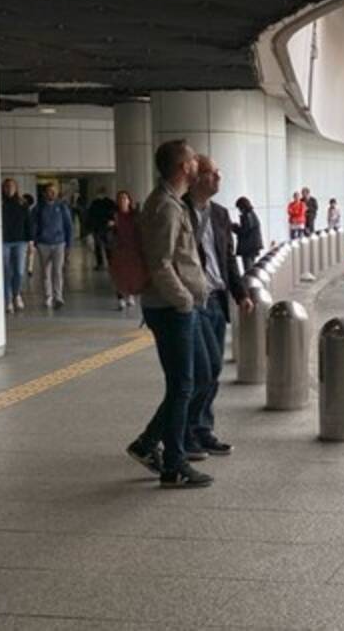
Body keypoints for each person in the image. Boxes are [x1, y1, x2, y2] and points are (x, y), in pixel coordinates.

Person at [126, 139, 213, 489]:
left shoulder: (172, 202)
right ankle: (173, 464)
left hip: (178, 307)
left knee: (196, 379)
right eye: (194, 160)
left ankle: (148, 443)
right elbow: (160, 263)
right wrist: (184, 301)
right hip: (171, 310)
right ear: (183, 167)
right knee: (182, 386)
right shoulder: (164, 206)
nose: (198, 163)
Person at [184, 156, 251, 458]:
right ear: (196, 177)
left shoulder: (221, 215)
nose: (218, 178)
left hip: (216, 300)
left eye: (218, 173)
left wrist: (241, 294)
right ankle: (187, 433)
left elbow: (228, 260)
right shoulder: (180, 210)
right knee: (202, 369)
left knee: (212, 369)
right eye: (212, 173)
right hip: (192, 301)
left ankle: (202, 430)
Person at [33, 183, 73, 311]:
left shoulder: (62, 207)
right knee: (45, 272)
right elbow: (34, 224)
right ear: (45, 193)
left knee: (57, 271)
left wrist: (69, 244)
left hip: (59, 243)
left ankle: (58, 297)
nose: (52, 193)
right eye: (49, 191)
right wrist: (35, 241)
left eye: (54, 191)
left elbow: (68, 226)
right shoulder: (39, 208)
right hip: (43, 243)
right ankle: (48, 296)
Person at [107, 190, 146, 312]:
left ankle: (130, 295)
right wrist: (111, 226)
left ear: (129, 201)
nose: (122, 201)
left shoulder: (135, 215)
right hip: (118, 249)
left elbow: (141, 230)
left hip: (132, 249)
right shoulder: (114, 215)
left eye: (125, 199)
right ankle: (120, 298)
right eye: (120, 199)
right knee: (119, 275)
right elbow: (108, 233)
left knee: (131, 274)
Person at [1, 178, 32, 314]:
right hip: (4, 242)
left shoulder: (22, 203)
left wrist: (31, 240)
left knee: (19, 271)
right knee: (6, 272)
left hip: (20, 241)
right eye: (7, 187)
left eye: (12, 186)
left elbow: (28, 222)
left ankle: (16, 294)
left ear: (16, 188)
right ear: (3, 188)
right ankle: (8, 300)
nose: (9, 189)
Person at [86, 188, 117, 270]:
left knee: (105, 247)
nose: (100, 194)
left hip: (104, 228)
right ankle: (105, 263)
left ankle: (105, 263)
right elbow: (90, 216)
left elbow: (115, 213)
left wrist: (113, 221)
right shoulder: (104, 203)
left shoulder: (104, 203)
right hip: (101, 228)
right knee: (101, 247)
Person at [232, 197, 263, 273]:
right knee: (250, 268)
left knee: (248, 270)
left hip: (248, 247)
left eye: (239, 208)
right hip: (252, 246)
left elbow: (244, 231)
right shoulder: (251, 214)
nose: (239, 210)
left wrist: (234, 228)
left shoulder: (247, 215)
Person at [22, 193, 35, 278]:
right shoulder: (30, 211)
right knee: (31, 253)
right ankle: (30, 268)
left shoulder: (27, 211)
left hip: (28, 235)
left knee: (29, 252)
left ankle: (29, 268)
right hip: (29, 236)